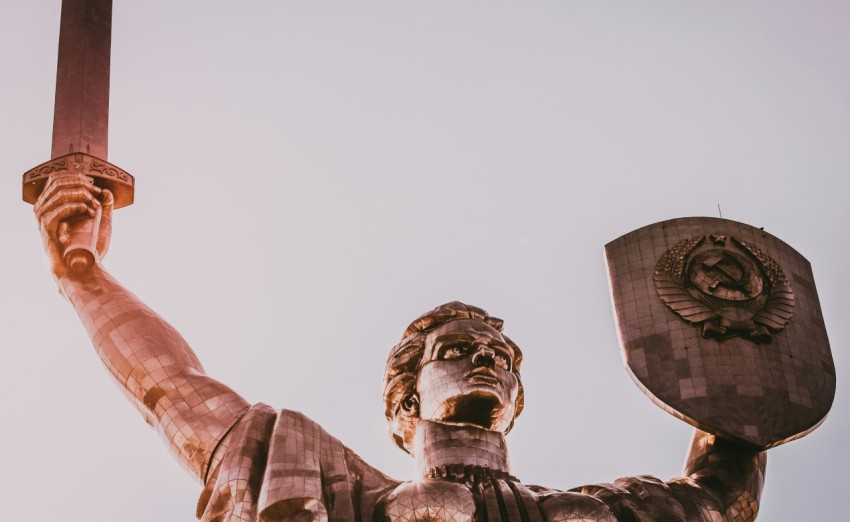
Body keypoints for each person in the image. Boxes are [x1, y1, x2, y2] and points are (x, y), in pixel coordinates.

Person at [34, 173, 766, 521]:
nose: (489, 361)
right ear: (406, 396)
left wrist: (736, 353)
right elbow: (175, 391)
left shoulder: (598, 512)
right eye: (458, 351)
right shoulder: (323, 483)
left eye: (503, 359)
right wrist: (83, 274)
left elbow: (719, 494)